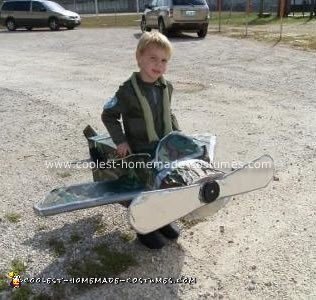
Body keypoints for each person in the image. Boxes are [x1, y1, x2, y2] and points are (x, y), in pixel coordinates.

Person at [101, 32, 180, 249]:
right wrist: (121, 141)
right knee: (144, 190)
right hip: (140, 151)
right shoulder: (127, 91)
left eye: (164, 60)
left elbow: (168, 114)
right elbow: (109, 115)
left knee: (163, 185)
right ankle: (145, 228)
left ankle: (162, 221)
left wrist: (178, 135)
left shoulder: (166, 87)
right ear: (139, 57)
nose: (159, 65)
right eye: (153, 58)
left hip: (163, 148)